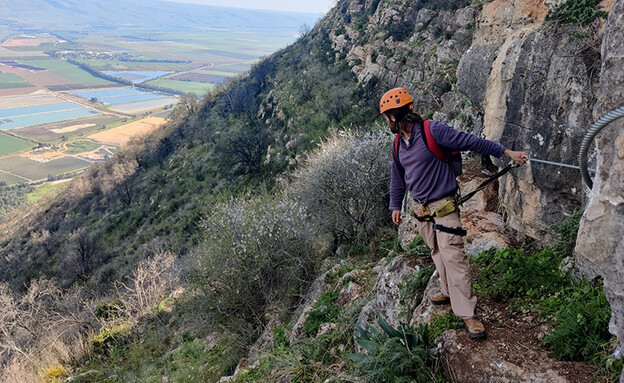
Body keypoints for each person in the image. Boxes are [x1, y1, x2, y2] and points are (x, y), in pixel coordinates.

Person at [382, 87, 528, 339]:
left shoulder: (432, 131)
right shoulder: (398, 143)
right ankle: (448, 291)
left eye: (386, 117)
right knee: (437, 252)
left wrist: (507, 152)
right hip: (421, 209)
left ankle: (468, 315)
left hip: (444, 205)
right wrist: (395, 205)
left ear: (394, 116)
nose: (386, 122)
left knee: (454, 257)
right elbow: (398, 176)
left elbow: (471, 141)